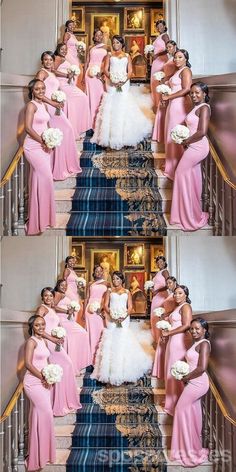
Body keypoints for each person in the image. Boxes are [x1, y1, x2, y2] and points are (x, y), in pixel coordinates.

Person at [91, 35, 153, 150]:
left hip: (124, 84)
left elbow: (130, 71)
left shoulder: (127, 56)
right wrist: (112, 79)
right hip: (111, 84)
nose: (115, 45)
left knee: (123, 106)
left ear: (122, 44)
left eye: (117, 43)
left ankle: (125, 136)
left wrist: (123, 80)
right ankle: (109, 136)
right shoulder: (109, 55)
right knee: (111, 106)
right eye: (113, 43)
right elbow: (105, 69)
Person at [91, 271, 153, 385]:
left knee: (123, 341)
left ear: (122, 280)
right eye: (113, 279)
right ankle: (109, 372)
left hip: (124, 319)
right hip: (111, 319)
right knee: (111, 341)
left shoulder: (127, 292)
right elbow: (105, 305)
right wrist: (113, 315)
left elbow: (130, 307)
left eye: (117, 279)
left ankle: (124, 371)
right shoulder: (109, 291)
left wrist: (123, 316)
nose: (115, 281)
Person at [170, 82, 210, 230]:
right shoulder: (196, 107)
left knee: (180, 174)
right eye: (192, 93)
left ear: (204, 94)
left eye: (197, 92)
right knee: (193, 180)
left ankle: (188, 217)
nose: (193, 95)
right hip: (192, 145)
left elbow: (202, 132)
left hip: (198, 146)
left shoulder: (204, 108)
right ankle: (189, 214)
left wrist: (185, 140)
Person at [36, 51, 82, 181]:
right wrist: (52, 103)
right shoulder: (42, 73)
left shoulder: (51, 72)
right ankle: (58, 169)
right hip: (49, 107)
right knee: (66, 129)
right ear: (42, 61)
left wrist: (59, 100)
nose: (48, 62)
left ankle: (62, 165)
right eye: (46, 60)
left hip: (55, 106)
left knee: (66, 130)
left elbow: (53, 89)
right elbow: (37, 92)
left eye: (50, 59)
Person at [170, 318, 210, 466]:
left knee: (180, 410)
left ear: (204, 330)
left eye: (197, 328)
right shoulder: (197, 343)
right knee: (192, 414)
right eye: (192, 328)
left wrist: (185, 377)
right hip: (193, 381)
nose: (193, 331)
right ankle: (192, 448)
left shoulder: (204, 344)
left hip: (198, 382)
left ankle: (187, 452)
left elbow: (202, 368)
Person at [36, 287, 81, 416]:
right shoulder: (42, 308)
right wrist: (52, 339)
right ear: (42, 297)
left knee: (65, 366)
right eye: (46, 296)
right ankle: (58, 404)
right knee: (66, 365)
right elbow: (37, 327)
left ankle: (61, 401)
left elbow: (54, 325)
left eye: (50, 295)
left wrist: (60, 335)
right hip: (49, 343)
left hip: (56, 342)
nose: (48, 298)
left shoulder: (51, 308)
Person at [23, 79, 55, 235]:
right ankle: (37, 221)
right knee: (47, 179)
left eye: (43, 88)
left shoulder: (43, 104)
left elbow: (46, 126)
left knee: (37, 181)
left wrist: (52, 139)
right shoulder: (31, 105)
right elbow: (28, 128)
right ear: (32, 91)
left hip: (45, 146)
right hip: (33, 146)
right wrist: (43, 141)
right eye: (37, 89)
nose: (41, 91)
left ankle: (40, 219)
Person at [23, 315, 55, 471]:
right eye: (37, 325)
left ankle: (40, 455)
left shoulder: (44, 340)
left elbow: (45, 362)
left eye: (43, 324)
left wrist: (51, 374)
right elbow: (28, 364)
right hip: (33, 383)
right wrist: (44, 377)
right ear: (32, 327)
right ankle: (36, 458)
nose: (41, 327)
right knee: (46, 414)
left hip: (44, 382)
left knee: (38, 417)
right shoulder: (31, 342)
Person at [162, 285, 193, 416]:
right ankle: (171, 402)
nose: (177, 295)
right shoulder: (177, 307)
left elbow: (187, 325)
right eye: (175, 293)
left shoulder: (186, 306)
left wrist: (169, 332)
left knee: (174, 371)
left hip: (179, 341)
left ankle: (176, 404)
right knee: (170, 370)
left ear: (186, 295)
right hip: (172, 340)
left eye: (180, 293)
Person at [162, 49, 192, 180]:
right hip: (172, 104)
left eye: (180, 57)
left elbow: (186, 89)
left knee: (174, 135)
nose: (177, 59)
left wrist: (169, 96)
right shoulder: (177, 71)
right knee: (170, 134)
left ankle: (175, 168)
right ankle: (171, 165)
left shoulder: (186, 71)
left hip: (179, 105)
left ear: (186, 59)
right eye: (175, 57)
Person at [54, 43, 91, 138]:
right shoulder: (58, 58)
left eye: (65, 49)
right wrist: (66, 75)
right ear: (58, 49)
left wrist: (71, 74)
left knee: (75, 103)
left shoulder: (64, 58)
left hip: (68, 83)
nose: (64, 51)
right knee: (83, 97)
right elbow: (53, 70)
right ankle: (74, 129)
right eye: (62, 49)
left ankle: (75, 128)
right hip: (62, 84)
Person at [54, 279, 91, 374]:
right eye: (62, 285)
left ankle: (74, 364)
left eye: (65, 285)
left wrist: (71, 309)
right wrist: (66, 311)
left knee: (75, 339)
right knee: (83, 334)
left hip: (68, 320)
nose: (64, 287)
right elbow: (53, 306)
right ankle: (72, 365)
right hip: (63, 320)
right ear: (58, 285)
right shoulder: (58, 294)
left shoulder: (64, 295)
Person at [152, 276, 177, 381]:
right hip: (166, 320)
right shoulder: (171, 294)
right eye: (167, 283)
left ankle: (166, 372)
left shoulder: (176, 295)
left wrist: (165, 314)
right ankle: (161, 371)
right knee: (162, 345)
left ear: (175, 282)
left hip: (170, 322)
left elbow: (176, 309)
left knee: (166, 346)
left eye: (170, 283)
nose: (169, 285)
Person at [152, 40, 178, 143]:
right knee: (162, 108)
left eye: (170, 47)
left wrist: (166, 81)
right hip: (166, 84)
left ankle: (165, 136)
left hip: (170, 86)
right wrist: (162, 79)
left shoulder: (176, 60)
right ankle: (162, 135)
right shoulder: (170, 58)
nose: (168, 49)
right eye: (167, 47)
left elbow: (175, 73)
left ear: (175, 46)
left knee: (165, 109)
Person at [84, 265, 109, 364]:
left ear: (103, 272)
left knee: (100, 332)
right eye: (96, 271)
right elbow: (86, 297)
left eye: (100, 271)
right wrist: (83, 313)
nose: (99, 273)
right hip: (89, 310)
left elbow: (108, 298)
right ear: (94, 272)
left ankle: (99, 359)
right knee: (90, 333)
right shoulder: (90, 283)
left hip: (100, 309)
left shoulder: (107, 283)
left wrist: (103, 309)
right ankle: (89, 359)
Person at [84, 29, 108, 129]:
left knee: (100, 96)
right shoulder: (90, 47)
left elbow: (108, 62)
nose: (98, 37)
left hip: (100, 73)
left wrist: (102, 73)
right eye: (96, 35)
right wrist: (83, 77)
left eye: (100, 35)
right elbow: (87, 62)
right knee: (90, 97)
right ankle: (90, 124)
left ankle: (99, 122)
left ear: (102, 36)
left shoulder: (107, 47)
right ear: (94, 36)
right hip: (89, 74)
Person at [150, 20, 169, 107]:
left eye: (161, 26)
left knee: (159, 80)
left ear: (164, 27)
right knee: (154, 81)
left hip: (161, 60)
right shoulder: (158, 36)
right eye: (157, 26)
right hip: (156, 61)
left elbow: (168, 48)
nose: (159, 28)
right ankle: (156, 104)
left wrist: (157, 54)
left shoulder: (165, 36)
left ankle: (161, 104)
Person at [150, 256, 169, 341]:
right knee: (154, 317)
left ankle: (161, 339)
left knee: (159, 316)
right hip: (156, 297)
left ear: (164, 263)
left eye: (161, 262)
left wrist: (157, 290)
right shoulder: (158, 273)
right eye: (157, 262)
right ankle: (156, 339)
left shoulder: (165, 272)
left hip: (161, 296)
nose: (159, 263)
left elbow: (168, 284)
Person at [63, 255, 83, 325]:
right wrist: (64, 291)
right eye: (70, 261)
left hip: (75, 292)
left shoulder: (73, 271)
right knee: (74, 306)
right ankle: (71, 323)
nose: (72, 262)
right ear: (67, 263)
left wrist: (80, 286)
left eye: (73, 261)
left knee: (75, 307)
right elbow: (64, 281)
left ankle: (73, 323)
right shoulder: (67, 270)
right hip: (69, 291)